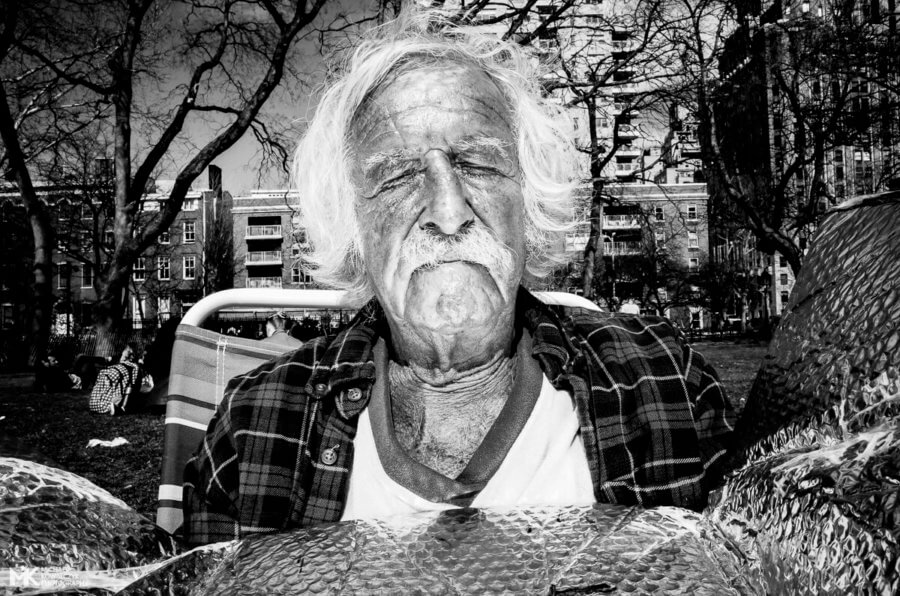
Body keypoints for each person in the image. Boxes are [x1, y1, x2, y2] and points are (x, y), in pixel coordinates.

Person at [182, 10, 735, 546]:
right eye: (397, 174)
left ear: (528, 200)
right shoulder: (259, 422)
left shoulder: (664, 383)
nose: (449, 212)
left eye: (478, 164)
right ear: (351, 223)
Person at [89, 343, 154, 415]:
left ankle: (102, 404)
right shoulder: (134, 367)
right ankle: (111, 405)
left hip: (96, 402)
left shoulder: (130, 366)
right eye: (127, 351)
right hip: (117, 395)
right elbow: (136, 388)